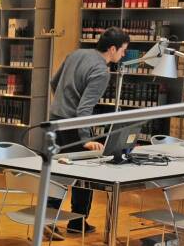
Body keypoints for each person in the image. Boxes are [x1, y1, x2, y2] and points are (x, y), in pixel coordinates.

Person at [46, 26, 130, 235]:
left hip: (56, 119)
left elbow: (53, 82)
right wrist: (85, 139)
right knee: (84, 174)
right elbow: (84, 109)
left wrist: (63, 103)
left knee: (59, 171)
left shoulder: (77, 53)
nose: (123, 54)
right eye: (123, 50)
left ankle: (47, 219)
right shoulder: (102, 71)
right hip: (74, 124)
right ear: (112, 49)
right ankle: (77, 222)